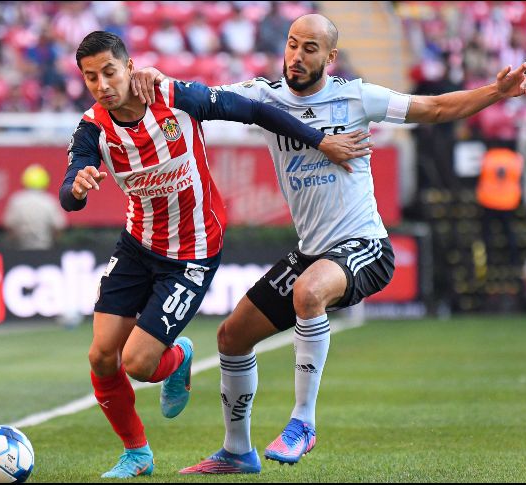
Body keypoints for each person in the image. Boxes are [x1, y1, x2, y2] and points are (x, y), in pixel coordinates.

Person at [131, 13, 526, 474]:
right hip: (311, 251)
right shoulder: (265, 97)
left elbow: (436, 108)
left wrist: (496, 91)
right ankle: (237, 450)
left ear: (330, 57)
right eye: (291, 45)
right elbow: (203, 98)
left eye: (309, 49)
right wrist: (156, 79)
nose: (297, 57)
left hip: (364, 244)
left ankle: (303, 422)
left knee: (308, 292)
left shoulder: (355, 96)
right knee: (232, 335)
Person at [60, 31, 370, 479]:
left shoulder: (174, 97)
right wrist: (76, 187)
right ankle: (137, 453)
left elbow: (255, 110)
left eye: (109, 71)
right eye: (91, 78)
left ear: (129, 68)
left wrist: (319, 140)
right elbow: (70, 187)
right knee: (100, 357)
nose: (102, 85)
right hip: (137, 245)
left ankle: (178, 355)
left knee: (139, 364)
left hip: (192, 251)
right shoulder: (92, 129)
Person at [3, 164, 66, 250]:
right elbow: (58, 228)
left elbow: (9, 227)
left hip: (19, 251)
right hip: (45, 250)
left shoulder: (16, 201)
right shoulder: (49, 201)